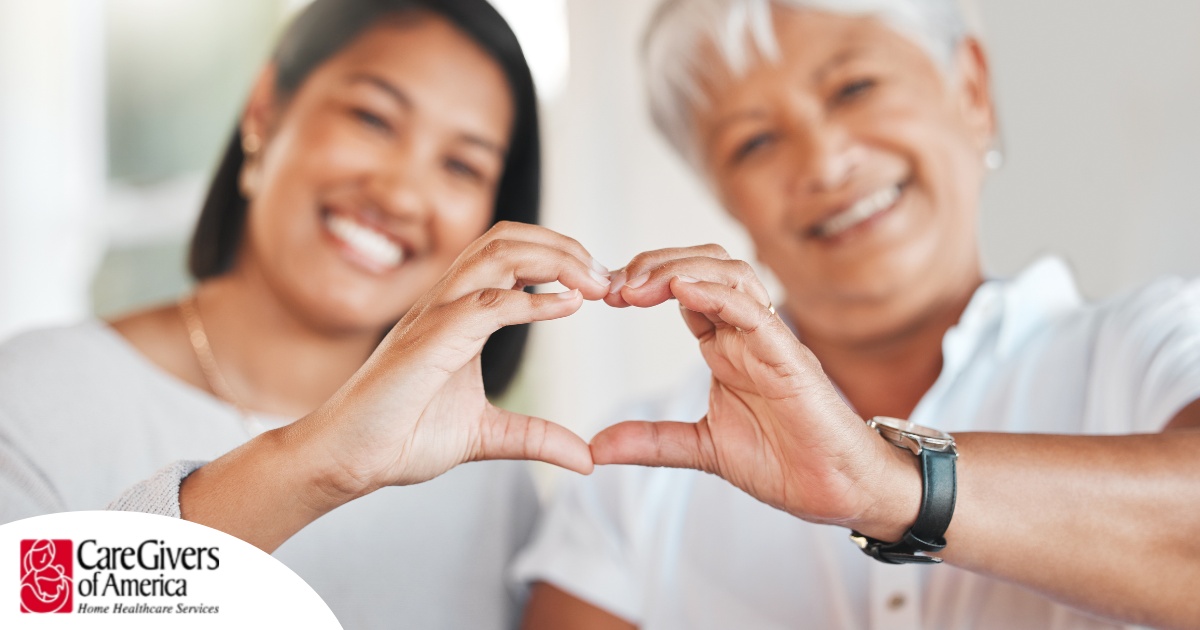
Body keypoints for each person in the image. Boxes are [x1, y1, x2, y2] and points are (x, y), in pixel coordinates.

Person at [515, 1, 1200, 628]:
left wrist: (892, 485)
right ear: (726, 198)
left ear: (970, 89)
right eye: (754, 142)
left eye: (853, 88)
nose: (823, 161)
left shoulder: (1151, 346)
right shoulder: (637, 478)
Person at [0, 0, 607, 627]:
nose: (399, 194)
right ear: (266, 109)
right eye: (372, 118)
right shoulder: (36, 395)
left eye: (461, 165)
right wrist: (313, 466)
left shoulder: (486, 481)